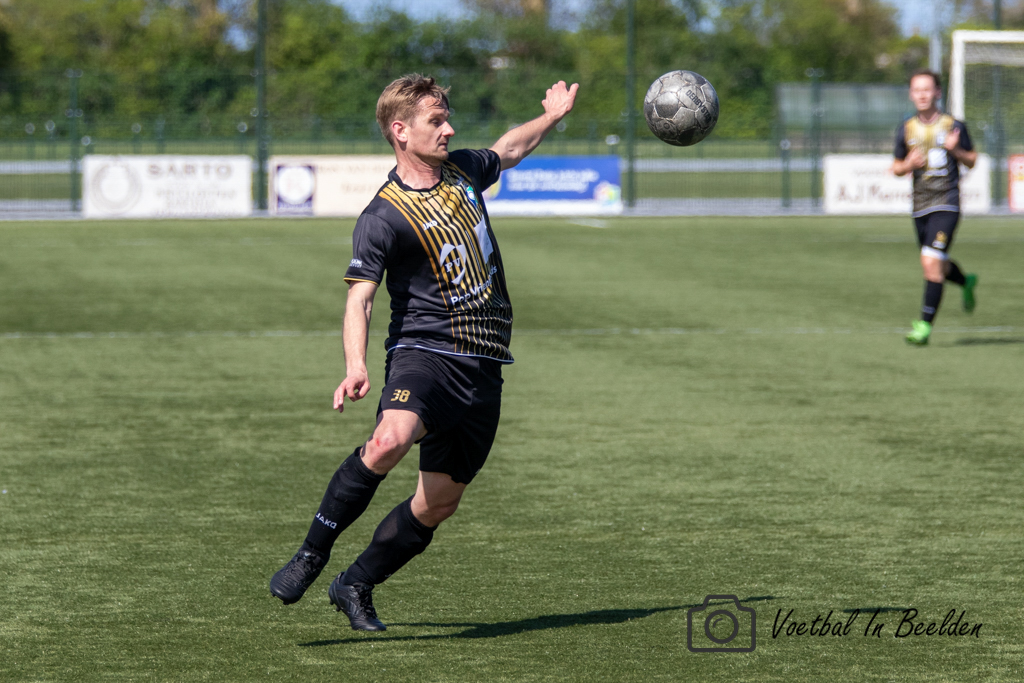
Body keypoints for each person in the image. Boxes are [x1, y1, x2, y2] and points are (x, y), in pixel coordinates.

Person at [269, 74, 579, 631]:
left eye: (447, 118)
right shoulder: (382, 216)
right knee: (388, 440)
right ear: (400, 131)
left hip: (484, 365)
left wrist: (551, 117)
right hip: (424, 352)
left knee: (437, 503)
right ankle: (312, 553)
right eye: (436, 121)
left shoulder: (463, 171)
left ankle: (355, 583)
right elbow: (361, 298)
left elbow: (509, 149)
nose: (449, 129)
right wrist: (356, 365)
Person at [892, 69, 979, 346]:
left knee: (930, 262)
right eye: (917, 90)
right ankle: (965, 281)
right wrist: (908, 165)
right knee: (937, 263)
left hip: (947, 203)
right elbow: (896, 167)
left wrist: (956, 150)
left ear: (938, 93)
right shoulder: (906, 128)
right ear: (911, 94)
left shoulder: (953, 125)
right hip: (920, 206)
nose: (922, 95)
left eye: (927, 89)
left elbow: (972, 160)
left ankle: (924, 326)